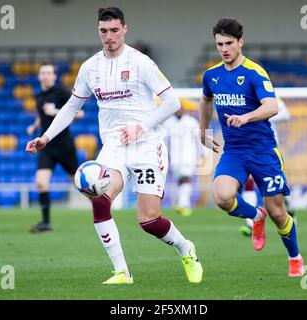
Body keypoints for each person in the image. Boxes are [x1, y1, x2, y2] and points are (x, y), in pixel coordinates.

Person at [25, 7, 203, 284]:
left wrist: (141, 126)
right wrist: (46, 136)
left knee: (149, 221)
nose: (109, 36)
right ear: (99, 31)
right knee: (100, 198)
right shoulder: (90, 68)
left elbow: (172, 103)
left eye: (114, 30)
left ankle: (185, 248)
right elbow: (71, 107)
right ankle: (122, 271)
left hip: (146, 145)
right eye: (103, 31)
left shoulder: (141, 62)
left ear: (124, 29)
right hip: (113, 148)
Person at [199, 18, 304, 277]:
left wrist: (246, 117)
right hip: (234, 151)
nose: (224, 49)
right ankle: (255, 217)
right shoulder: (211, 76)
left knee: (278, 212)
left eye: (229, 43)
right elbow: (204, 101)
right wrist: (203, 132)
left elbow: (272, 106)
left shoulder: (255, 73)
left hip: (263, 151)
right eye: (219, 44)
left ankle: (295, 257)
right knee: (222, 197)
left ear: (240, 42)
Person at [26, 62, 84, 233]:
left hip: (64, 145)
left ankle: (102, 212)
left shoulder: (62, 93)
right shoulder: (38, 96)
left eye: (49, 72)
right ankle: (46, 223)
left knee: (80, 184)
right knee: (40, 183)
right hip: (47, 147)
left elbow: (80, 113)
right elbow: (41, 115)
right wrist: (35, 125)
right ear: (38, 76)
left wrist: (55, 111)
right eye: (42, 72)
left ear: (55, 76)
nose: (45, 75)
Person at [239, 97, 297, 236]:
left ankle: (290, 212)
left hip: (268, 148)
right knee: (249, 182)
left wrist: (263, 117)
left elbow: (286, 114)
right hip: (249, 147)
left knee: (277, 185)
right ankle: (251, 222)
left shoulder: (270, 97)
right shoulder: (243, 97)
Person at [163, 108, 203, 216]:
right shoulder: (168, 122)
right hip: (174, 156)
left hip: (189, 155)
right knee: (181, 179)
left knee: (187, 178)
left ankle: (183, 204)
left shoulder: (191, 122)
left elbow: (198, 138)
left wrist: (202, 153)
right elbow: (164, 140)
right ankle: (182, 203)